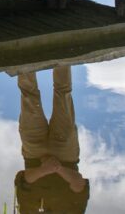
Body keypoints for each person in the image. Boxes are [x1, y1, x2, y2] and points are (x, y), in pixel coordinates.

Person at [14, 66, 89, 213]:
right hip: (66, 156)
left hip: (34, 156)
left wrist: (46, 169)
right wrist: (58, 168)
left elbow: (23, 179)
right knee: (63, 94)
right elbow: (79, 184)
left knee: (28, 97)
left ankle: (26, 57)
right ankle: (62, 55)